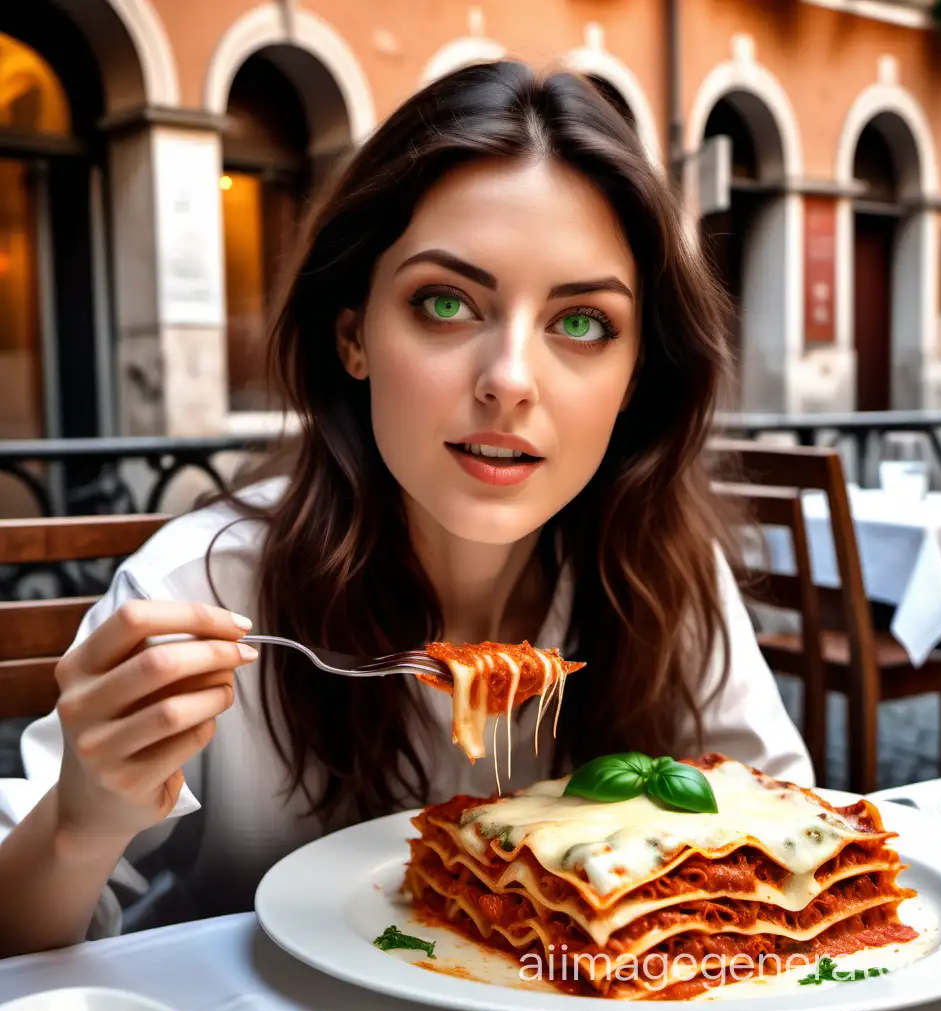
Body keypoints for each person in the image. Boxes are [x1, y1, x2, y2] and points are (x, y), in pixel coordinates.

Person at [0, 60, 811, 958]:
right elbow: (18, 951)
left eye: (582, 323)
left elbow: (783, 835)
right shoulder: (203, 588)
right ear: (353, 336)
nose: (508, 379)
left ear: (634, 380)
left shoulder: (665, 574)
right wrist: (83, 819)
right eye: (445, 302)